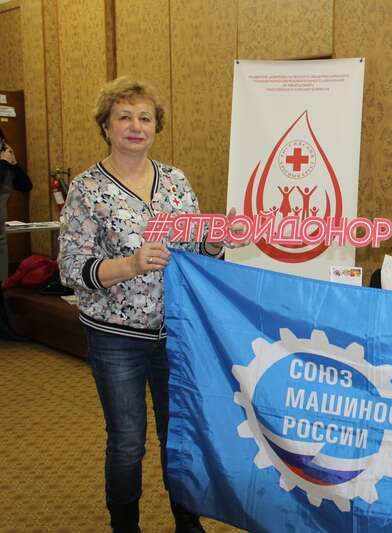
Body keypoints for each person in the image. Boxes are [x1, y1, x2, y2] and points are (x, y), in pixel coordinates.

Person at [58, 77, 235, 533]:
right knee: (127, 442)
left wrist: (216, 242)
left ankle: (186, 522)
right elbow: (70, 268)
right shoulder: (86, 188)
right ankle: (126, 526)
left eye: (145, 118)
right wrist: (130, 264)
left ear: (157, 126)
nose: (136, 126)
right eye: (125, 117)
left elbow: (196, 251)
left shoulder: (176, 181)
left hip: (176, 332)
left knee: (180, 436)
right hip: (115, 338)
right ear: (106, 126)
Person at [0, 127, 33, 281]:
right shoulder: (3, 165)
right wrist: (4, 163)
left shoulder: (5, 164)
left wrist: (14, 163)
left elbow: (26, 186)